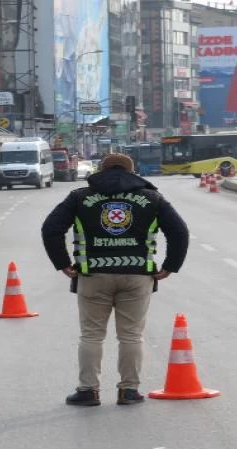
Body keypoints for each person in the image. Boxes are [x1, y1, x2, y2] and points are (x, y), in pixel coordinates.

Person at [41, 153, 189, 407]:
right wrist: (169, 266)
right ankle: (129, 391)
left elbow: (50, 228)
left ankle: (88, 391)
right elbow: (179, 231)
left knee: (91, 335)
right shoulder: (151, 198)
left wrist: (63, 263)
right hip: (137, 275)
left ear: (101, 169)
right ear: (132, 172)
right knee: (131, 335)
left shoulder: (80, 197)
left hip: (92, 275)